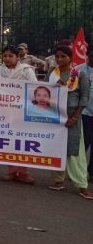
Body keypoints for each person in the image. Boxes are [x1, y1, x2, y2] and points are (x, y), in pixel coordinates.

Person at [47, 45, 92, 199]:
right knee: (56, 148)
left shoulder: (80, 74)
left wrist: (75, 117)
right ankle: (58, 181)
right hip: (55, 116)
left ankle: (82, 185)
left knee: (75, 151)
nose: (59, 59)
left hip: (73, 117)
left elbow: (84, 98)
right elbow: (44, 92)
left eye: (63, 56)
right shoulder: (52, 73)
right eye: (57, 56)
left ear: (71, 57)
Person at [0, 45, 37, 184]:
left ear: (18, 57)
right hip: (4, 110)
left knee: (22, 140)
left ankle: (23, 173)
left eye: (10, 56)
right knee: (9, 139)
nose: (7, 58)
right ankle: (11, 171)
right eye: (5, 56)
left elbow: (33, 88)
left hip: (22, 110)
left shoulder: (26, 70)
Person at [77, 48, 93, 182]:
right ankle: (78, 172)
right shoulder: (78, 70)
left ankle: (92, 173)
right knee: (82, 145)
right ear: (88, 55)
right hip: (84, 113)